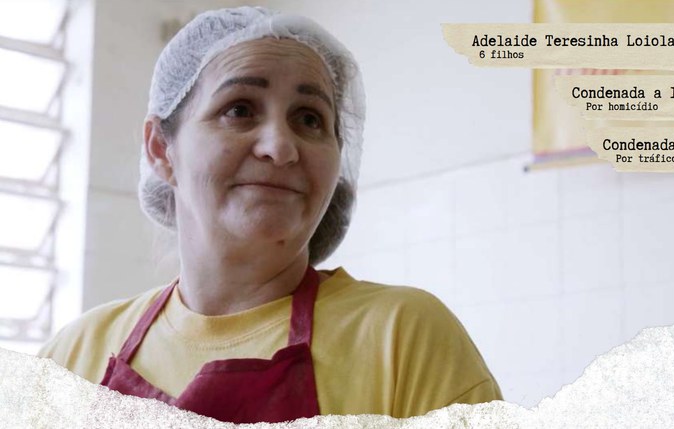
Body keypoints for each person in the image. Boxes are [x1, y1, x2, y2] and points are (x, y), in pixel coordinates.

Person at [38, 6, 502, 424]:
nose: (280, 147)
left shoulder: (401, 337)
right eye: (239, 109)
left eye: (310, 118)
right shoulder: (74, 355)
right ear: (161, 148)